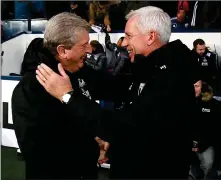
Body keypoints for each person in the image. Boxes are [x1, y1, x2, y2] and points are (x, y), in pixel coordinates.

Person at [36, 6, 200, 179]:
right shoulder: (149, 69)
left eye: (129, 36)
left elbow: (123, 127)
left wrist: (67, 95)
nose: (125, 42)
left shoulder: (170, 79)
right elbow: (117, 92)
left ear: (151, 37)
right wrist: (76, 67)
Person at [12, 12, 110, 180]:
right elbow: (38, 152)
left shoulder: (79, 70)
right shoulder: (30, 89)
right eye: (84, 45)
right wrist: (90, 147)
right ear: (63, 51)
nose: (89, 49)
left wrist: (94, 140)